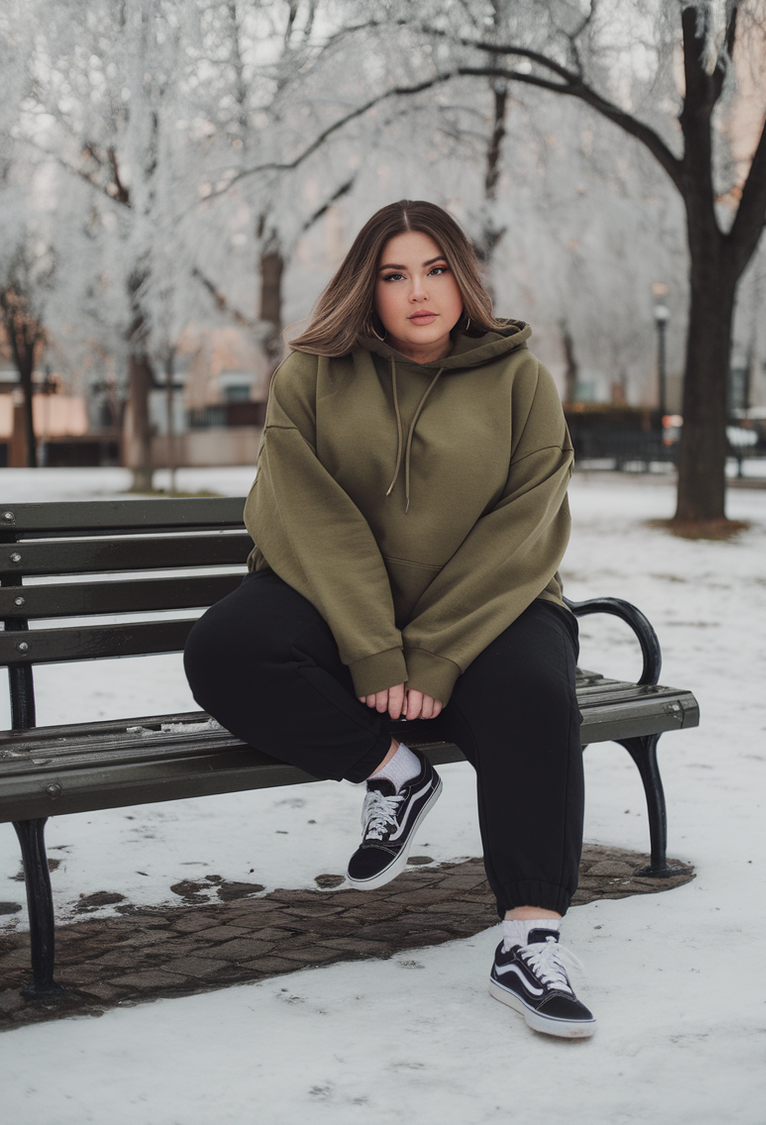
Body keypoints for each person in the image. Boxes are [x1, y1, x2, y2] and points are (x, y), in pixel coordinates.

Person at [184, 200, 594, 1038]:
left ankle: (530, 937)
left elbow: (522, 532)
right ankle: (392, 771)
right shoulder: (309, 375)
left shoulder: (522, 380)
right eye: (395, 274)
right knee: (227, 647)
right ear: (365, 289)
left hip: (490, 605)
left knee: (534, 695)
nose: (419, 292)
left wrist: (434, 656)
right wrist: (375, 651)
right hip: (336, 600)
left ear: (465, 278)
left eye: (437, 269)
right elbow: (307, 519)